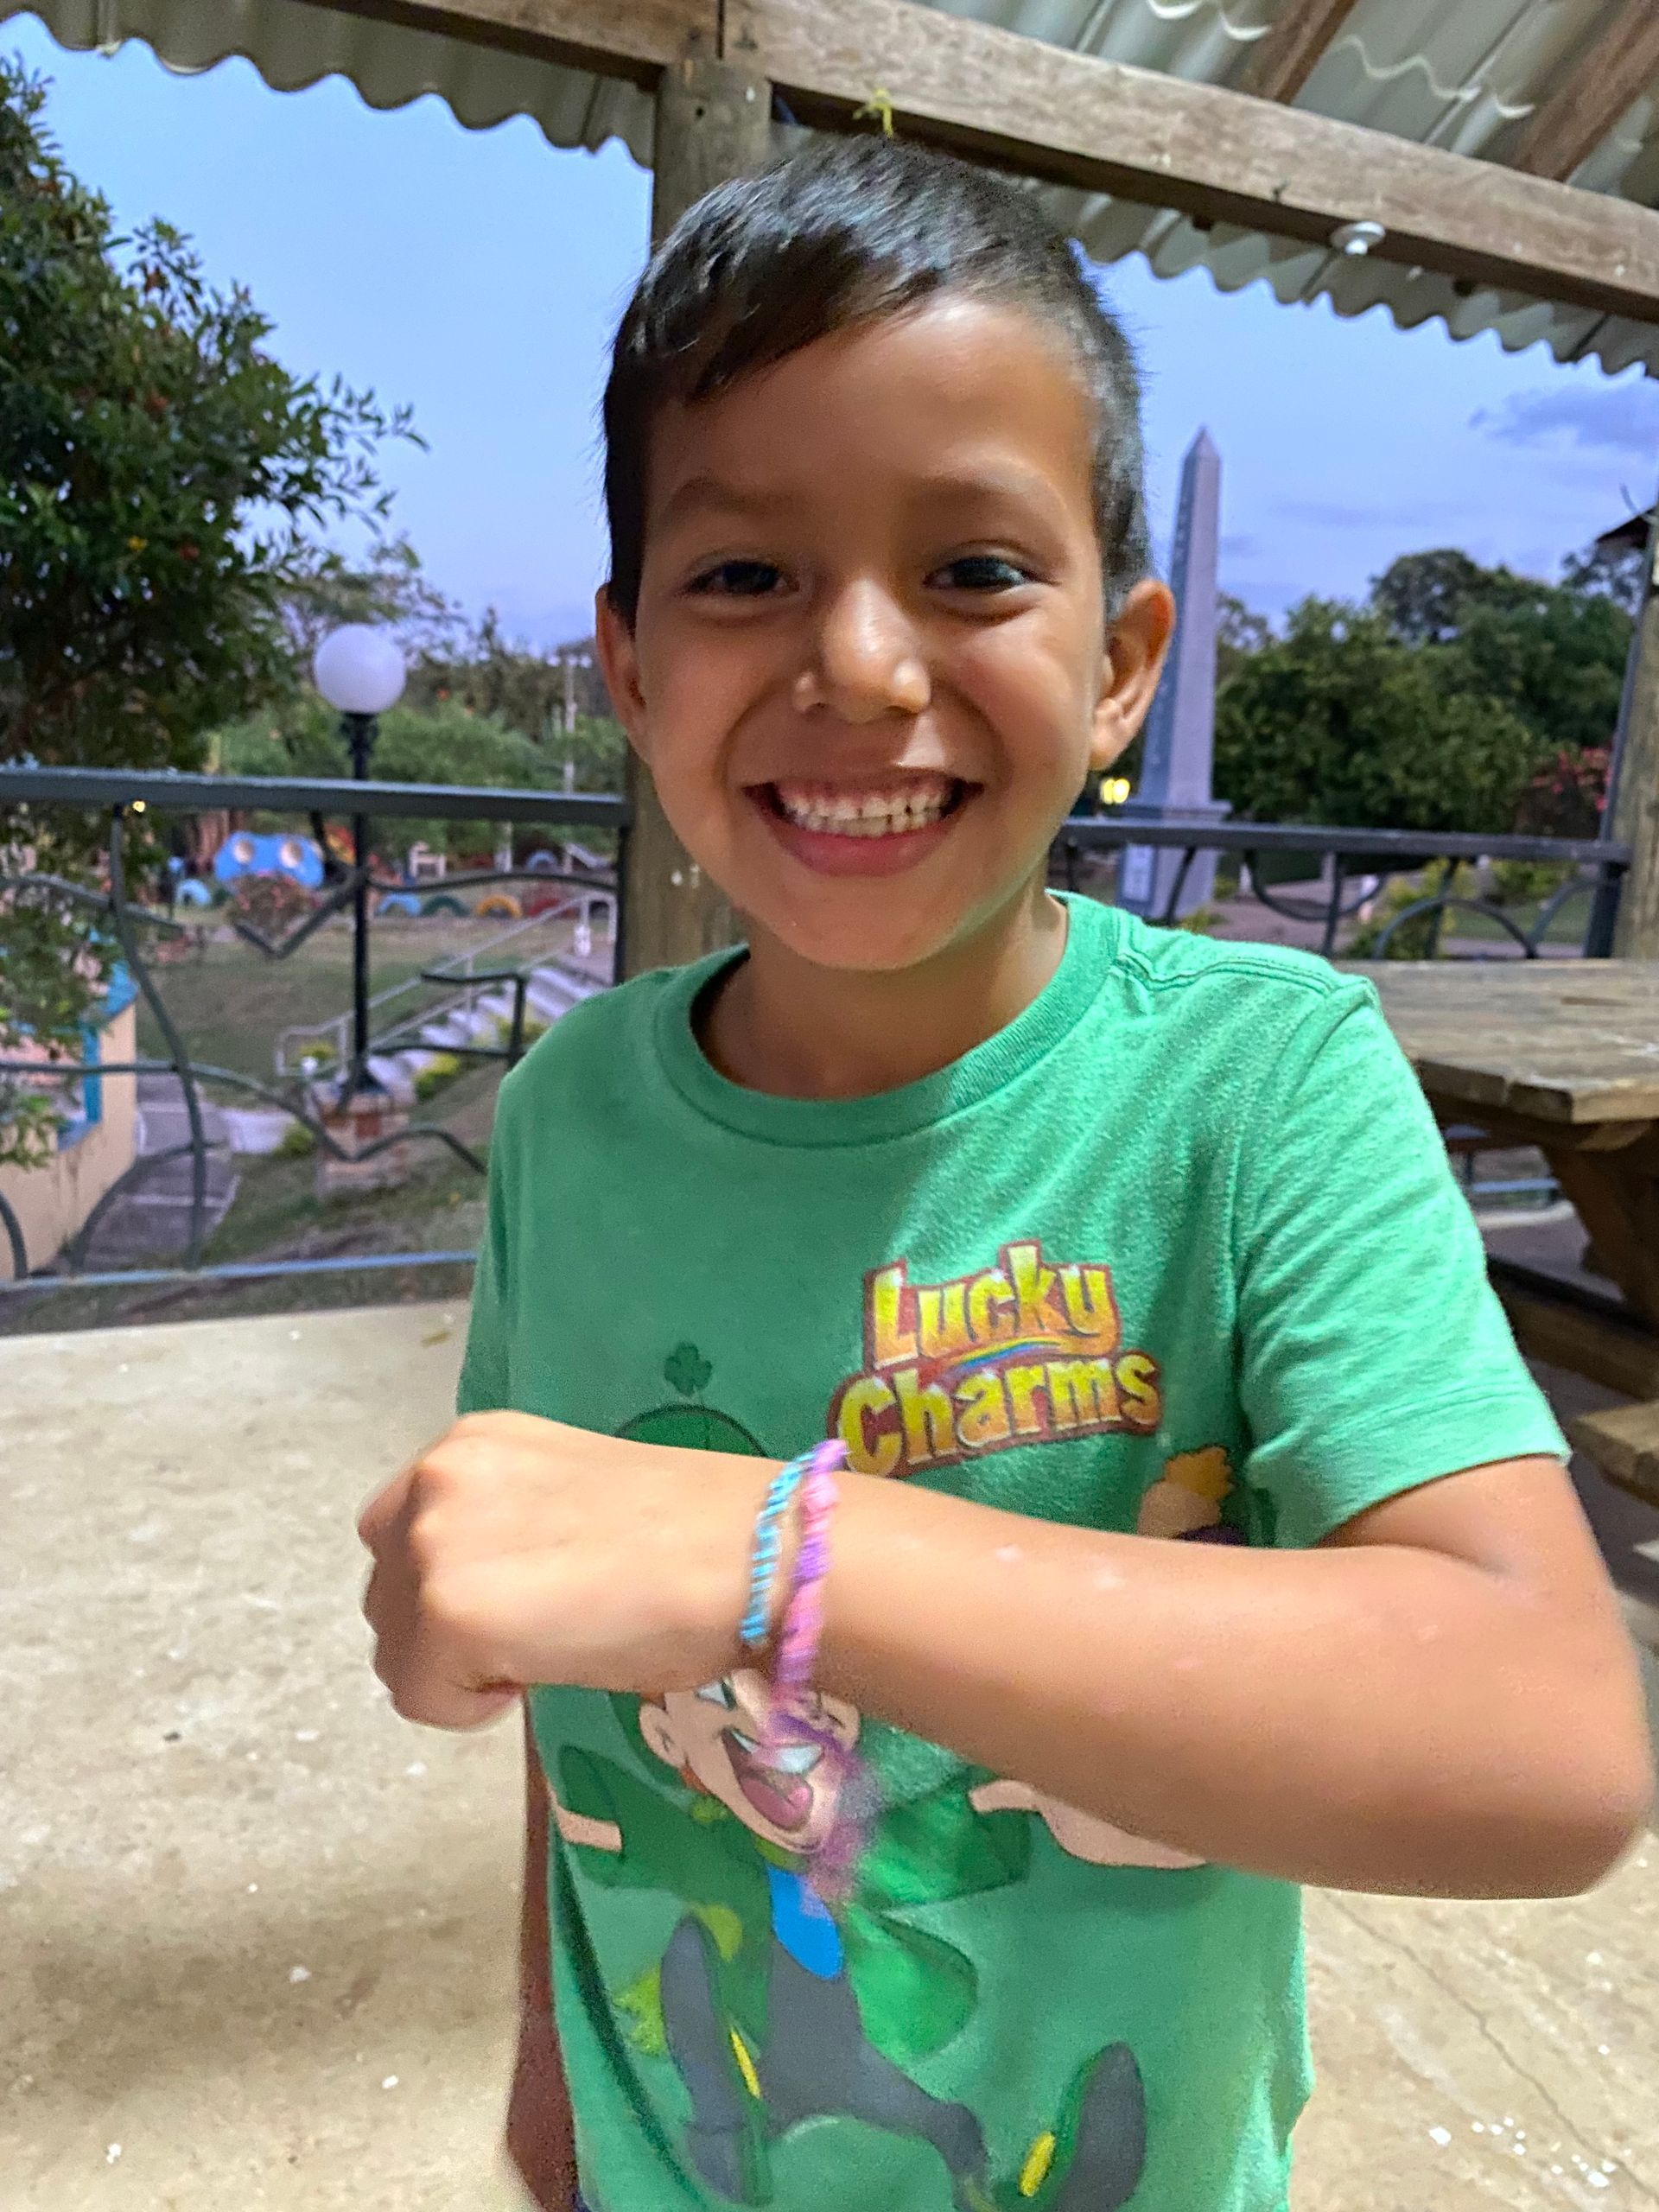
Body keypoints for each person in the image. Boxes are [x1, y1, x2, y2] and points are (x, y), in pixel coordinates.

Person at [356, 137, 1653, 2212]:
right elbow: (579, 1689)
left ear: (1124, 660)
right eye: (743, 574)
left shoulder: (1260, 1082)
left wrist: (774, 1558)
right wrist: (540, 2044)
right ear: (628, 666)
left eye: (971, 569)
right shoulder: (570, 1111)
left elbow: (1553, 1738)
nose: (862, 664)